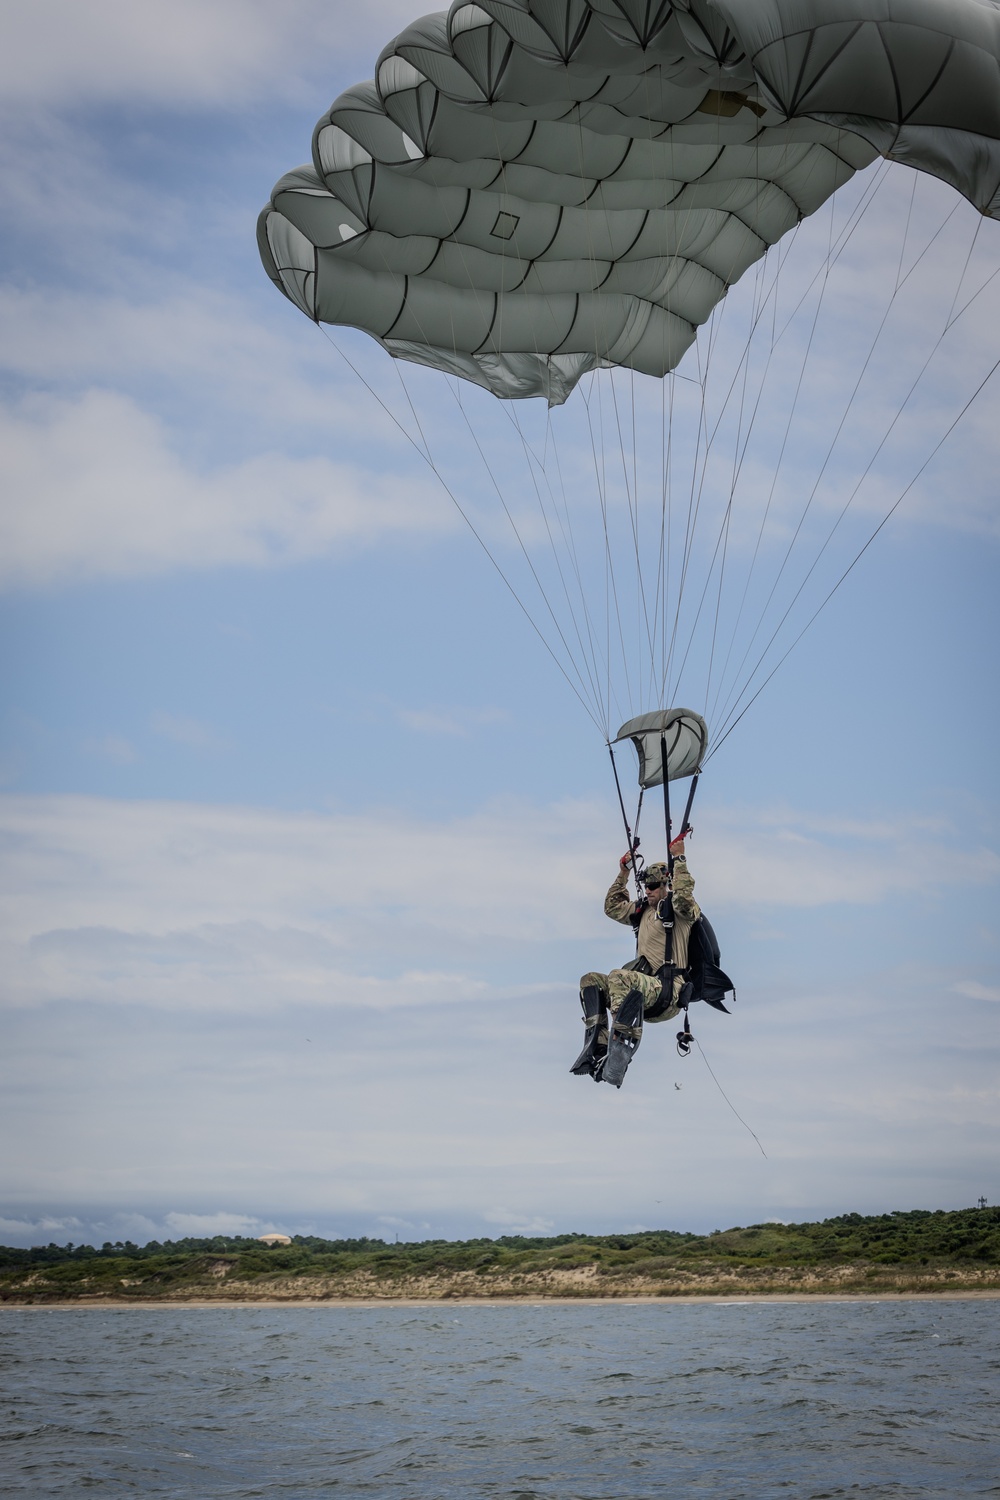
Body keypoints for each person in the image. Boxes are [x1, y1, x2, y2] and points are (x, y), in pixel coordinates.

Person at [571, 834, 698, 1089]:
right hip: (645, 992)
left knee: (619, 976)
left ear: (665, 885)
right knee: (590, 980)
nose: (648, 891)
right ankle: (599, 1043)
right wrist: (624, 872)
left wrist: (679, 858)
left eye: (653, 886)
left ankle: (620, 1047)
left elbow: (684, 898)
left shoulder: (680, 909)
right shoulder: (642, 911)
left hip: (668, 992)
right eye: (646, 886)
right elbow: (611, 907)